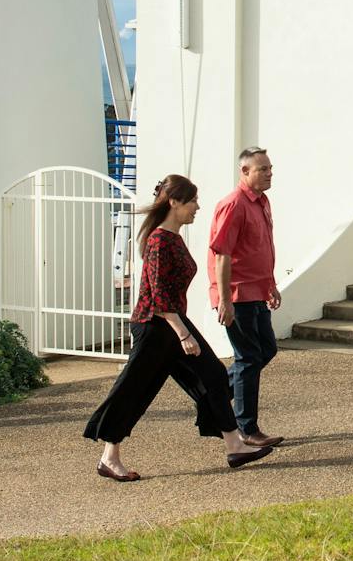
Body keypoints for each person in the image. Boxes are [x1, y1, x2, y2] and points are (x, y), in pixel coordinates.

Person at [83, 174, 274, 480]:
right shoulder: (159, 241)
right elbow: (158, 297)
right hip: (155, 325)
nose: (197, 207)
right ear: (174, 202)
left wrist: (180, 329)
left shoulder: (173, 238)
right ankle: (109, 457)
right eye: (192, 201)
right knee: (133, 390)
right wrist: (183, 334)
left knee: (213, 375)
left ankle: (234, 444)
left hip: (171, 323)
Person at [207, 146, 285, 448]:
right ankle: (246, 429)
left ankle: (212, 399)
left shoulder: (262, 202)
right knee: (249, 357)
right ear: (245, 172)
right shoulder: (234, 204)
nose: (269, 173)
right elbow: (222, 255)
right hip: (237, 294)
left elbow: (260, 248)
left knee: (265, 350)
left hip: (257, 290)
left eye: (269, 168)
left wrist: (271, 284)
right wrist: (224, 300)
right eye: (262, 169)